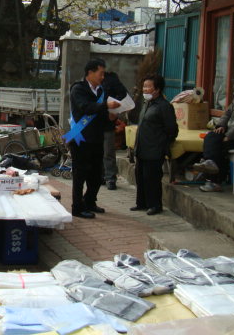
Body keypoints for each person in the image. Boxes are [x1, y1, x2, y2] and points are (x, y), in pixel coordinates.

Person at [66, 59, 120, 219]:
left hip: (97, 138)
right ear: (90, 73)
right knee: (80, 175)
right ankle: (77, 207)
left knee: (96, 175)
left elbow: (102, 114)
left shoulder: (101, 90)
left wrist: (112, 117)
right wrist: (106, 106)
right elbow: (86, 108)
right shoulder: (78, 89)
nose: (102, 77)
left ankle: (89, 201)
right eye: (100, 73)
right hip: (81, 138)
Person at [195, 69, 234, 192]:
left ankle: (213, 179)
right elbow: (227, 113)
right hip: (229, 131)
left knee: (219, 146)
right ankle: (208, 163)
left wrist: (229, 135)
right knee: (211, 136)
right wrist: (221, 125)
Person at [131, 74, 178, 216]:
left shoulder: (164, 106)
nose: (145, 89)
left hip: (154, 149)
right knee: (140, 177)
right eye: (144, 86)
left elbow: (172, 130)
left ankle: (155, 205)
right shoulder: (147, 104)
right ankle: (141, 203)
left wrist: (162, 144)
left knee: (152, 178)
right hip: (142, 147)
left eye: (148, 87)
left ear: (157, 89)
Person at [96, 58, 128, 191]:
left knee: (108, 151)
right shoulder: (88, 83)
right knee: (96, 152)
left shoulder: (111, 79)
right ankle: (99, 176)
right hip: (93, 122)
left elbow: (123, 94)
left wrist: (115, 111)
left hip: (108, 121)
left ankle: (110, 178)